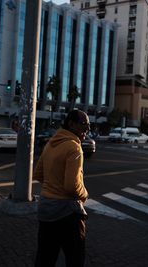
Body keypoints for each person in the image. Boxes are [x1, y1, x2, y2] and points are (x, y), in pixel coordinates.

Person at [33, 110, 90, 267]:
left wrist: (53, 185)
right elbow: (72, 186)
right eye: (84, 124)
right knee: (75, 259)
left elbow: (38, 174)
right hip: (67, 213)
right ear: (71, 123)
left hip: (46, 209)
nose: (87, 129)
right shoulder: (74, 147)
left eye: (89, 126)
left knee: (45, 258)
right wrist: (84, 194)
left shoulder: (50, 144)